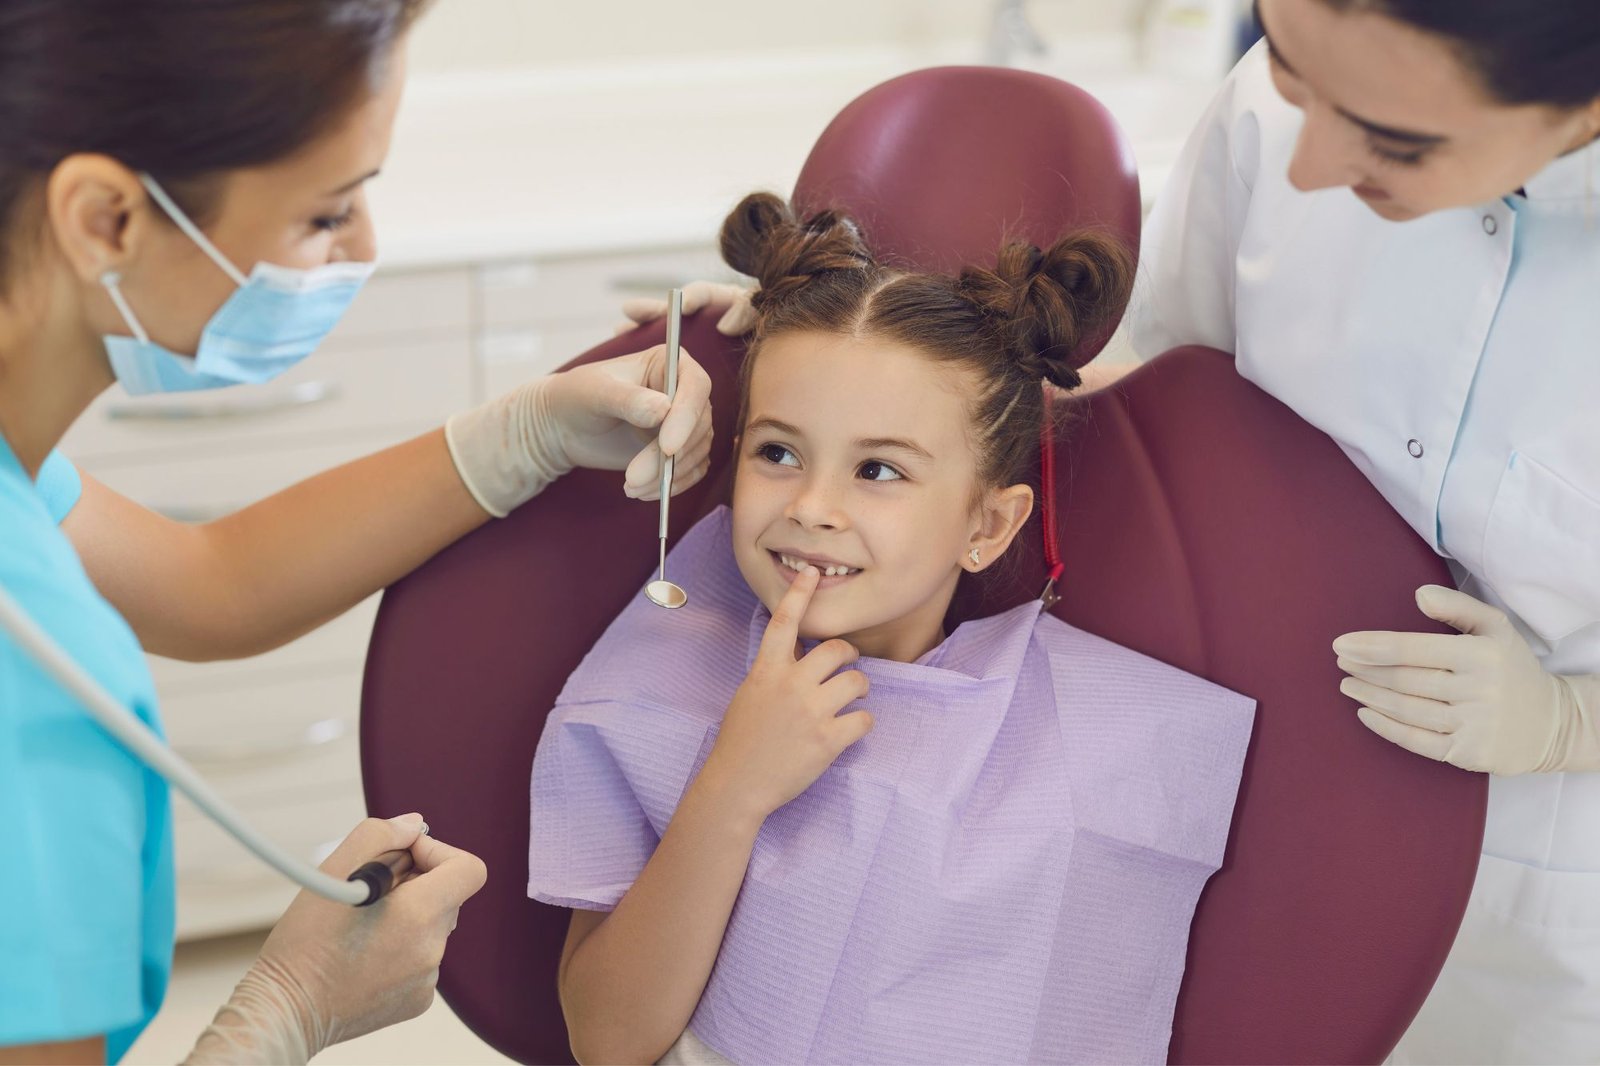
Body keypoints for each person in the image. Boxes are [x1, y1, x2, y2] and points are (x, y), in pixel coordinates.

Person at [643, 3, 1600, 1058]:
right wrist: (831, 350)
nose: (1311, 165)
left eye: (1397, 141)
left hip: (1543, 904)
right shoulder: (1267, 126)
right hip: (1240, 806)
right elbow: (1150, 415)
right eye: (1288, 70)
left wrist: (1568, 721)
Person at [0, 1, 713, 1063]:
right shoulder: (35, 691)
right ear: (107, 218)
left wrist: (524, 434)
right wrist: (287, 1012)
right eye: (326, 215)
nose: (363, 249)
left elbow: (208, 581)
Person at [532, 193, 1256, 1064]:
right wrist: (731, 789)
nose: (812, 507)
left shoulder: (1091, 740)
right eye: (778, 452)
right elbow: (607, 1041)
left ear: (988, 526)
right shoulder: (662, 685)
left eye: (878, 469)